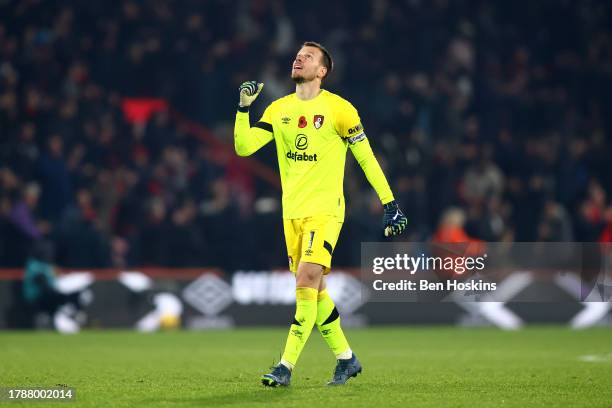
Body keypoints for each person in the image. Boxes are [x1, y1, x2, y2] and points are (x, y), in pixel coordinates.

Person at [233, 41, 408, 387]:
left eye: (308, 56)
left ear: (322, 71)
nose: (299, 58)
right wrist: (243, 109)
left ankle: (285, 366)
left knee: (306, 280)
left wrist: (390, 203)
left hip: (326, 212)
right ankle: (346, 358)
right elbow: (244, 147)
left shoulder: (340, 110)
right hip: (292, 213)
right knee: (317, 291)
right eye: (298, 55)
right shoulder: (279, 110)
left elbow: (366, 158)